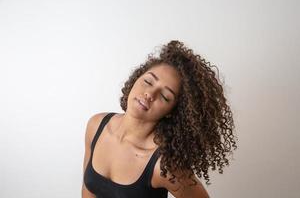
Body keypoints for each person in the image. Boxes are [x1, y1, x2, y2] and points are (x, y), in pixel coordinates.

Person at [81, 40, 237, 198]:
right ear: (136, 78)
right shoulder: (96, 126)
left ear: (171, 112)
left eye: (164, 96)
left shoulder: (164, 165)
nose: (150, 94)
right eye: (148, 81)